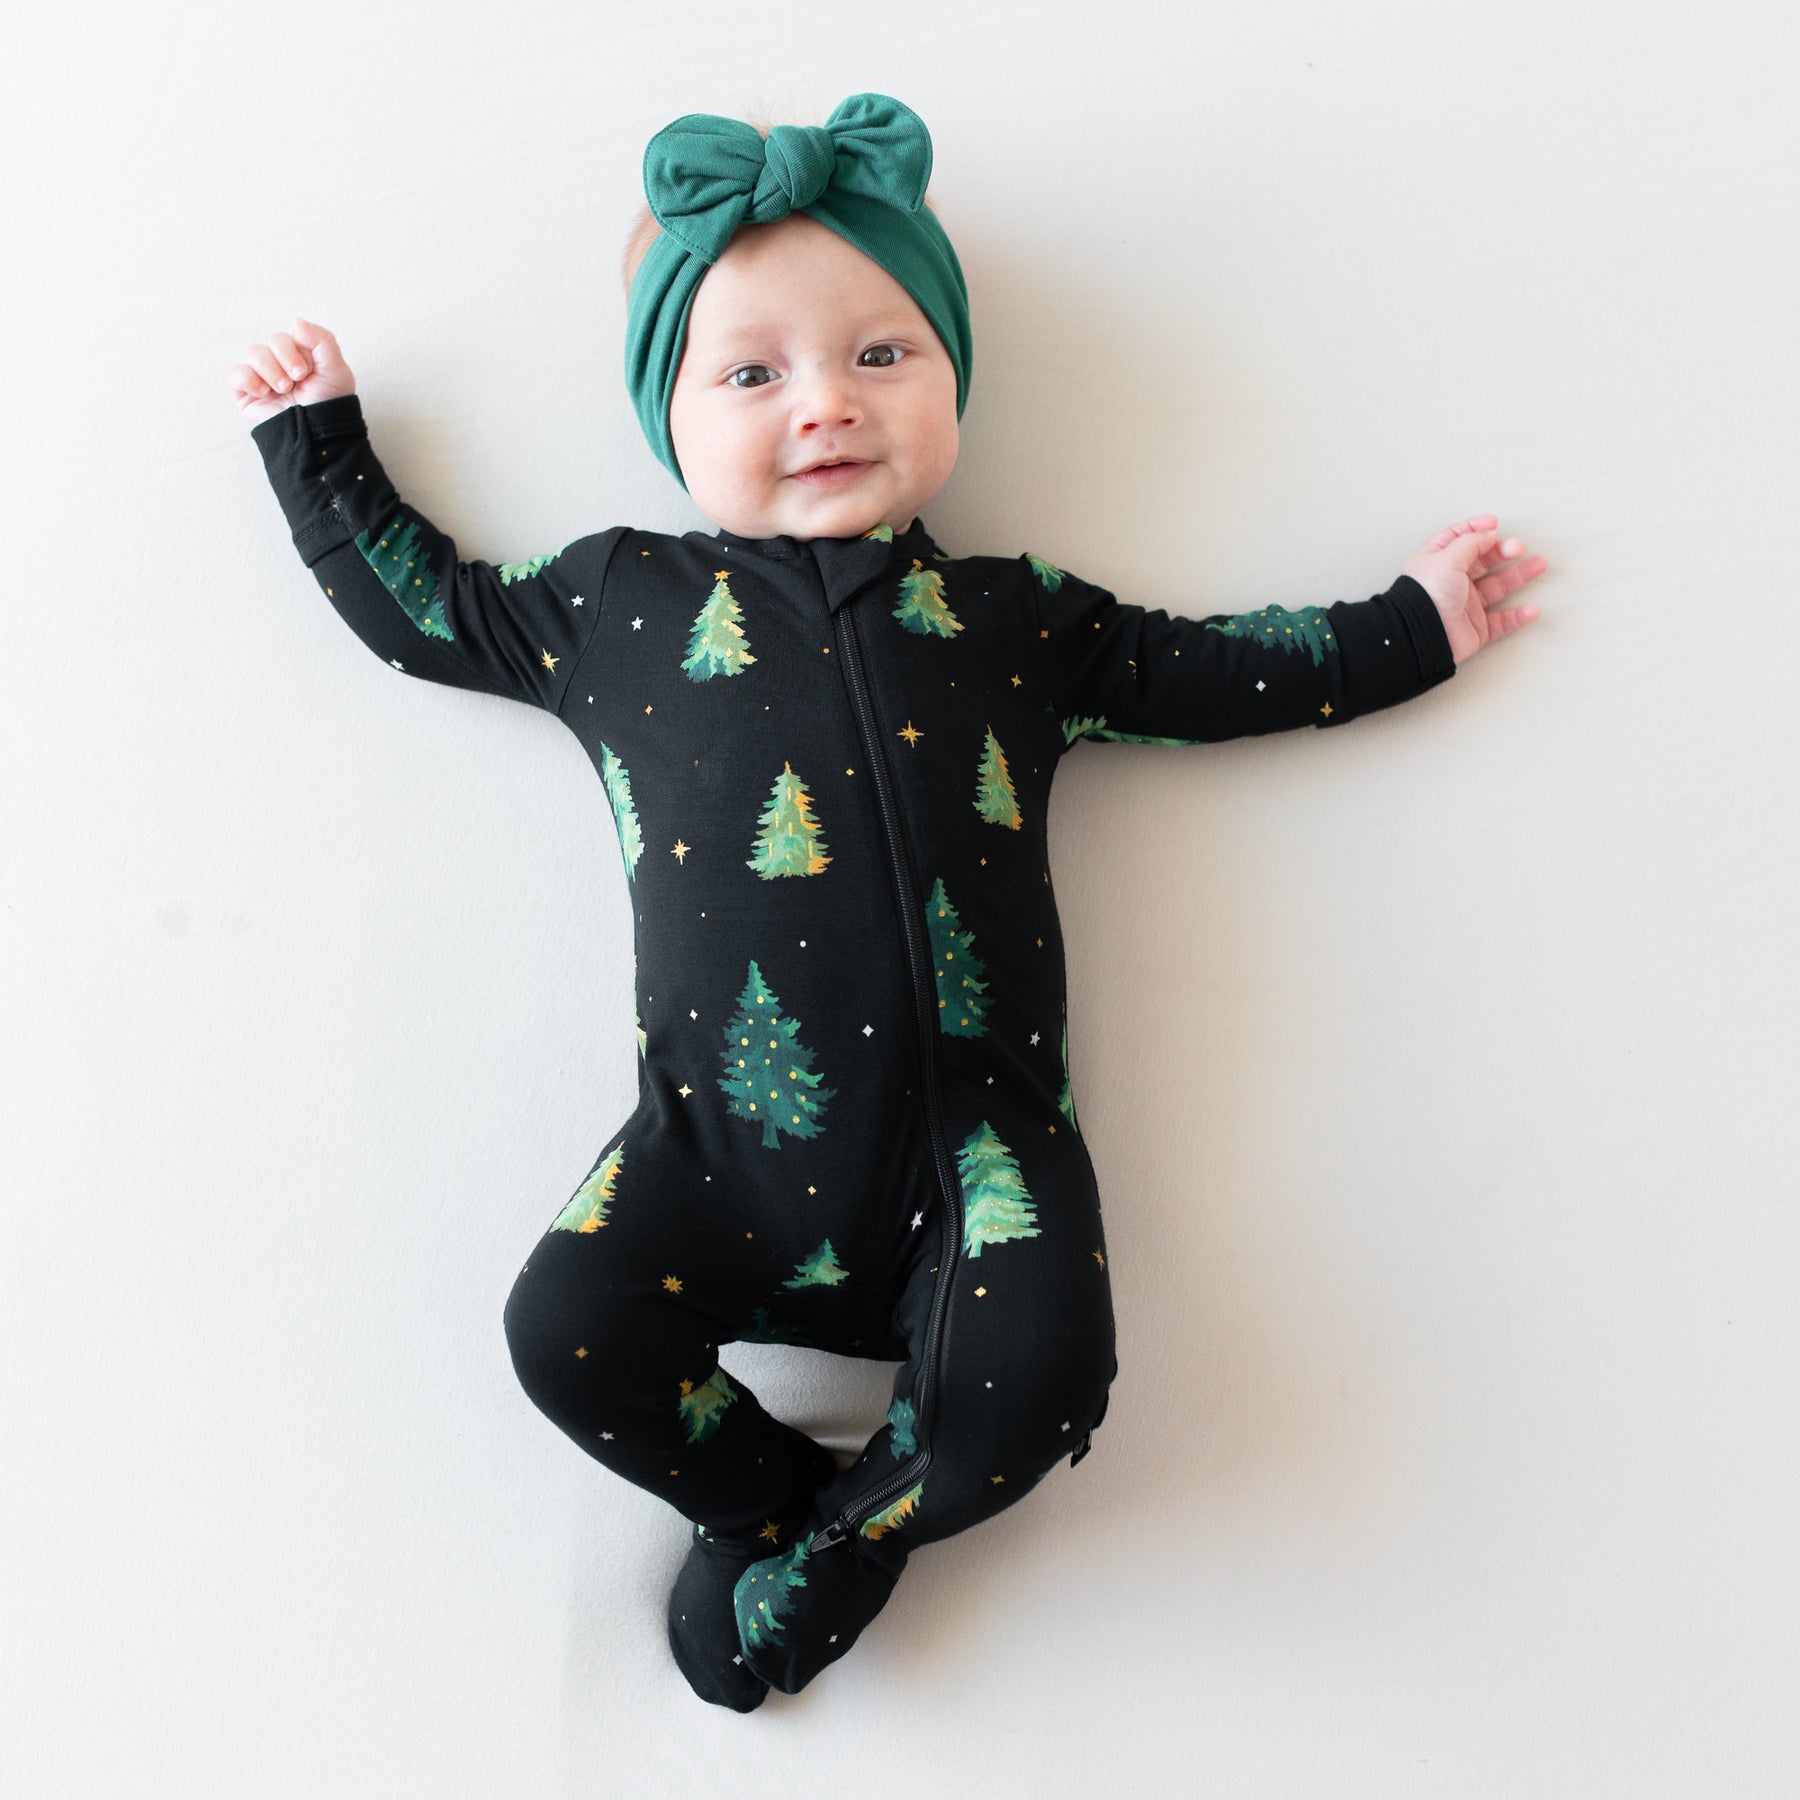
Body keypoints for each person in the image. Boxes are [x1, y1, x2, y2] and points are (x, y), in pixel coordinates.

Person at [231, 91, 1545, 1713]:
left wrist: (1410, 625)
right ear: (672, 413)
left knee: (1044, 1386)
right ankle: (763, 1504)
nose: (825, 408)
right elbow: (423, 609)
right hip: (705, 1160)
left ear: (947, 380)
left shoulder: (1019, 619)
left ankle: (836, 1548)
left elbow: (1217, 671)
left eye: (881, 355)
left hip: (973, 1160)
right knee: (558, 1331)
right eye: (752, 373)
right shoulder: (610, 610)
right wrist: (318, 446)